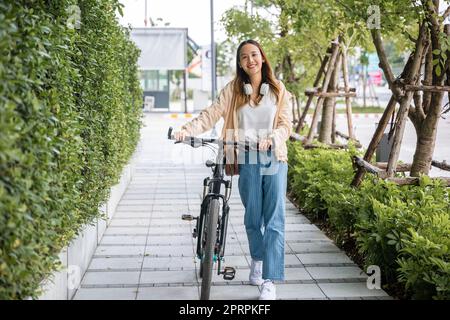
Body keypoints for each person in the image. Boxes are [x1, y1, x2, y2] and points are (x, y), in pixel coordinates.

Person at [174, 39, 292, 300]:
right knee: (253, 219)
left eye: (254, 55)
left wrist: (273, 137)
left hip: (274, 158)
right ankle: (258, 262)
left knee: (274, 221)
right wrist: (186, 130)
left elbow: (286, 124)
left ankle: (269, 280)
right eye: (244, 57)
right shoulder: (234, 89)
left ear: (262, 57)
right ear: (240, 63)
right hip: (246, 157)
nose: (250, 60)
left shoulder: (278, 89)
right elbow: (211, 113)